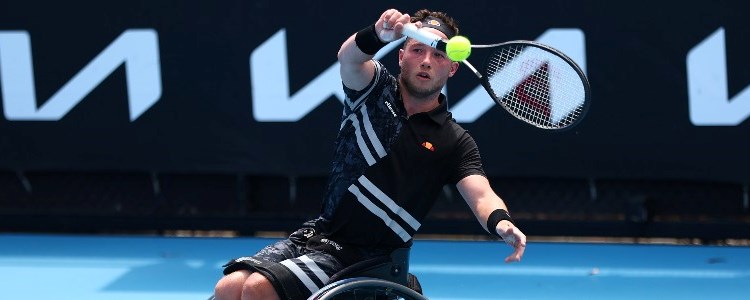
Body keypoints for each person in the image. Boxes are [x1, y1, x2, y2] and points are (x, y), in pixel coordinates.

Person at [214, 8, 526, 300]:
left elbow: (482, 195)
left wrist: (502, 223)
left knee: (257, 289)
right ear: (402, 56)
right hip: (321, 233)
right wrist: (377, 34)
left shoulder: (454, 141)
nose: (427, 60)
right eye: (418, 50)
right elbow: (348, 59)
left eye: (438, 54)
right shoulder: (373, 90)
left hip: (369, 257)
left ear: (452, 68)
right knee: (229, 287)